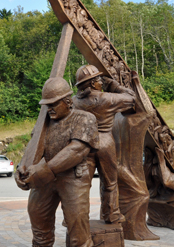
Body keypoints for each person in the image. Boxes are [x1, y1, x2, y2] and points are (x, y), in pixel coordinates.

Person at [15, 77, 100, 247]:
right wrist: (21, 168)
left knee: (78, 232)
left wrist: (42, 172)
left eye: (53, 104)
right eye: (46, 105)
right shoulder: (43, 123)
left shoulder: (84, 119)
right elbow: (32, 147)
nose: (49, 109)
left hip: (73, 177)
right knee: (38, 223)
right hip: (44, 178)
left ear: (68, 101)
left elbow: (76, 150)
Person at [73, 65, 135, 224]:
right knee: (110, 182)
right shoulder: (107, 98)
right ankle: (111, 214)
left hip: (84, 144)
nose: (101, 82)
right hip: (105, 143)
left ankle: (76, 217)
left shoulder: (73, 102)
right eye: (99, 80)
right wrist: (115, 86)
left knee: (82, 185)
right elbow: (132, 98)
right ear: (93, 83)